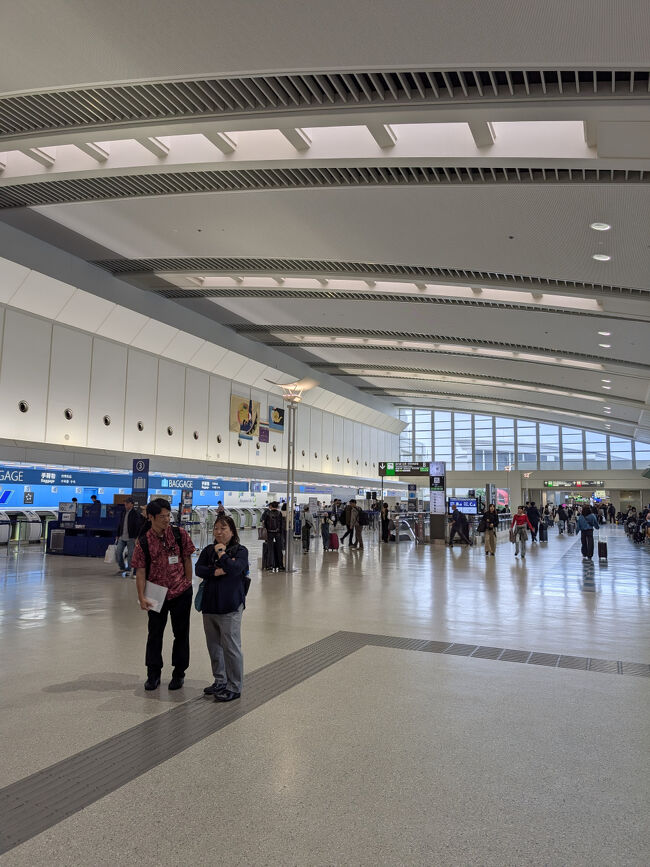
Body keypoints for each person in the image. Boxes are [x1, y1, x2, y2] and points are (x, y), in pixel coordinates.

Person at [131, 498, 195, 691]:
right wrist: (142, 596)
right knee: (155, 634)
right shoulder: (143, 542)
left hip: (181, 591)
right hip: (155, 592)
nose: (166, 520)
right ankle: (153, 673)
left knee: (181, 634)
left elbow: (187, 559)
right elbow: (140, 572)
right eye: (162, 517)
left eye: (169, 515)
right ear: (150, 517)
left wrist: (188, 582)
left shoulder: (179, 534)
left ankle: (179, 673)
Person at [195, 515, 249, 702]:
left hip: (230, 605)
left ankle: (234, 686)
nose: (219, 532)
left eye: (223, 528)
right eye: (216, 528)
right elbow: (199, 569)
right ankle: (220, 680)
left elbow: (235, 569)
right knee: (214, 646)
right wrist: (215, 571)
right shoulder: (208, 550)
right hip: (210, 605)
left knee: (231, 647)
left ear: (232, 531)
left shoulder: (241, 551)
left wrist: (222, 555)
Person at [114, 497, 144, 577]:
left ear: (132, 504)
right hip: (122, 536)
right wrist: (117, 534)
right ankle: (122, 567)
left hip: (131, 538)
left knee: (131, 555)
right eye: (125, 503)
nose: (125, 504)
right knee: (118, 552)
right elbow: (120, 524)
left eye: (127, 503)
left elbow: (137, 526)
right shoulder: (123, 512)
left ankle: (129, 569)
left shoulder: (135, 513)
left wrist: (136, 537)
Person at [263, 501, 284, 571]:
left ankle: (270, 566)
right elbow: (281, 524)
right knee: (279, 549)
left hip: (269, 533)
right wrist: (280, 532)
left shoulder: (267, 513)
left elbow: (264, 523)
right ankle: (280, 565)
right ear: (277, 506)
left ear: (271, 506)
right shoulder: (279, 513)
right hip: (278, 533)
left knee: (270, 549)